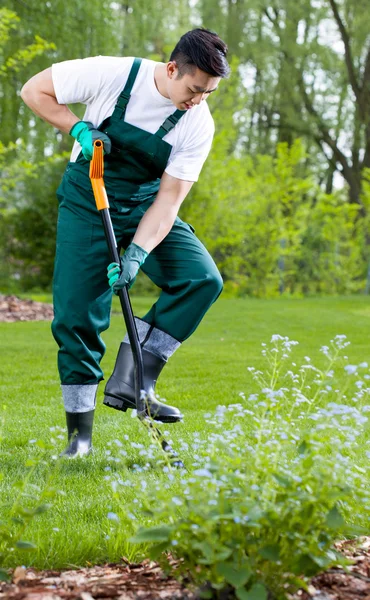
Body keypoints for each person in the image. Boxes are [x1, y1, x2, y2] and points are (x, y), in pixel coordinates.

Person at [21, 28, 230, 457]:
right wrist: (77, 127)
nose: (198, 101)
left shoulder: (197, 123)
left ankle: (136, 380)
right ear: (172, 69)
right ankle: (79, 438)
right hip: (87, 200)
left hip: (143, 207)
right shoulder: (112, 74)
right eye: (194, 90)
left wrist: (137, 254)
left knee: (201, 278)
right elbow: (34, 89)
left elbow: (170, 198)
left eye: (208, 93)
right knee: (78, 315)